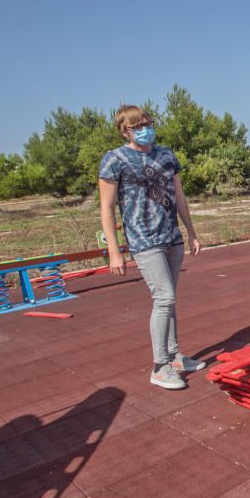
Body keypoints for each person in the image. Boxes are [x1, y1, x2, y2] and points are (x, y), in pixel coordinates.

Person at [98, 104, 206, 390]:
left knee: (170, 299)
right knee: (164, 298)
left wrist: (191, 232)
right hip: (144, 240)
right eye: (138, 126)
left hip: (171, 236)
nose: (146, 129)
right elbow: (107, 207)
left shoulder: (166, 155)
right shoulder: (114, 160)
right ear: (125, 130)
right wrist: (114, 249)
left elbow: (179, 196)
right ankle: (160, 367)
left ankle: (174, 356)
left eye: (148, 123)